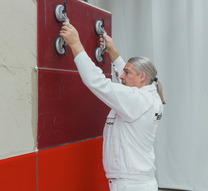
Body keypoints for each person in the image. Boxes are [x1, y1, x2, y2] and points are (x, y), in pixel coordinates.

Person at [60, 22, 166, 191]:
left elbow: (99, 83)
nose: (121, 77)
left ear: (142, 77)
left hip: (130, 185)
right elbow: (126, 84)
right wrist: (113, 53)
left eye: (127, 73)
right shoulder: (149, 96)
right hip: (136, 183)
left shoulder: (137, 100)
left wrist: (75, 45)